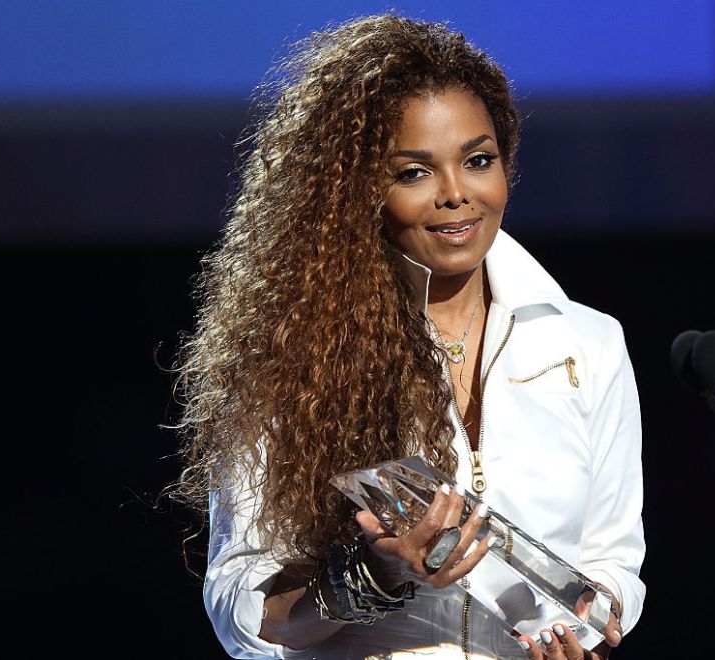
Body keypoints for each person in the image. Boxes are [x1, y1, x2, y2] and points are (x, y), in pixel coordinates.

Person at [173, 14, 645, 660]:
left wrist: (579, 637)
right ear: (355, 190)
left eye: (478, 161)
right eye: (414, 172)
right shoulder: (291, 359)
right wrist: (374, 575)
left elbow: (612, 563)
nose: (456, 194)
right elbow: (241, 611)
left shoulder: (589, 344)